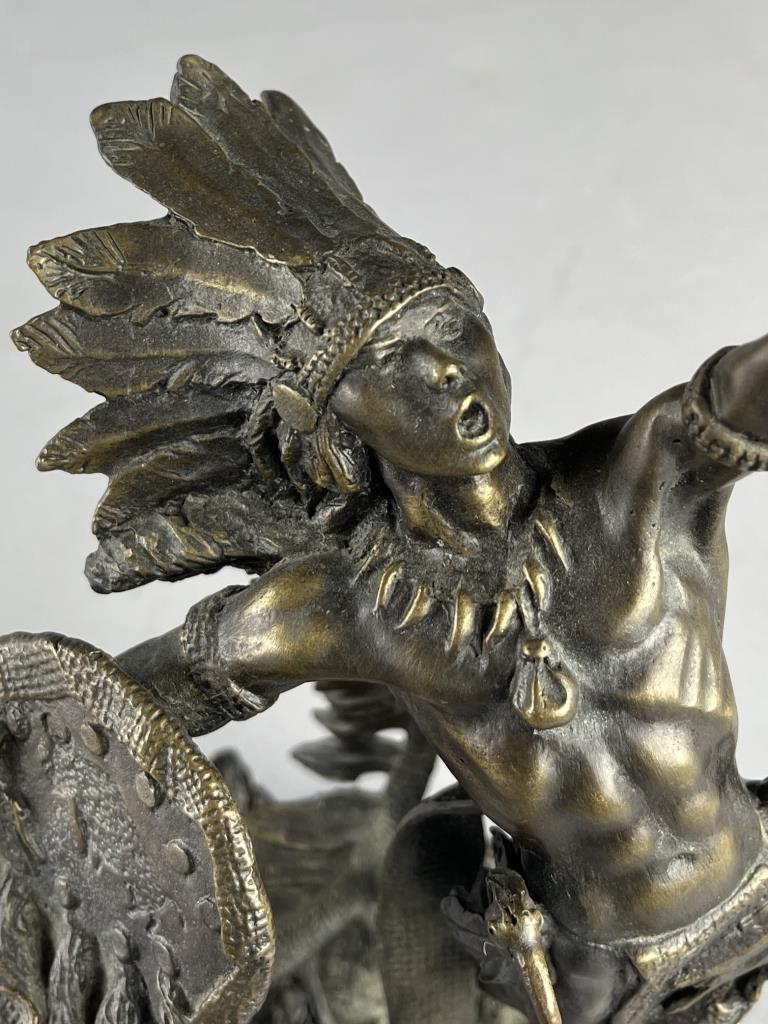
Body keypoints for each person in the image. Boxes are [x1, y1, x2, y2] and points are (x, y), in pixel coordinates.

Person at [13, 55, 768, 1023]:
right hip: (592, 978)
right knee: (425, 874)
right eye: (399, 358)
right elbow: (125, 702)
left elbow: (725, 404)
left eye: (458, 329)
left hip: (757, 886)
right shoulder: (353, 609)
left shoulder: (636, 490)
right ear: (337, 426)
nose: (450, 369)